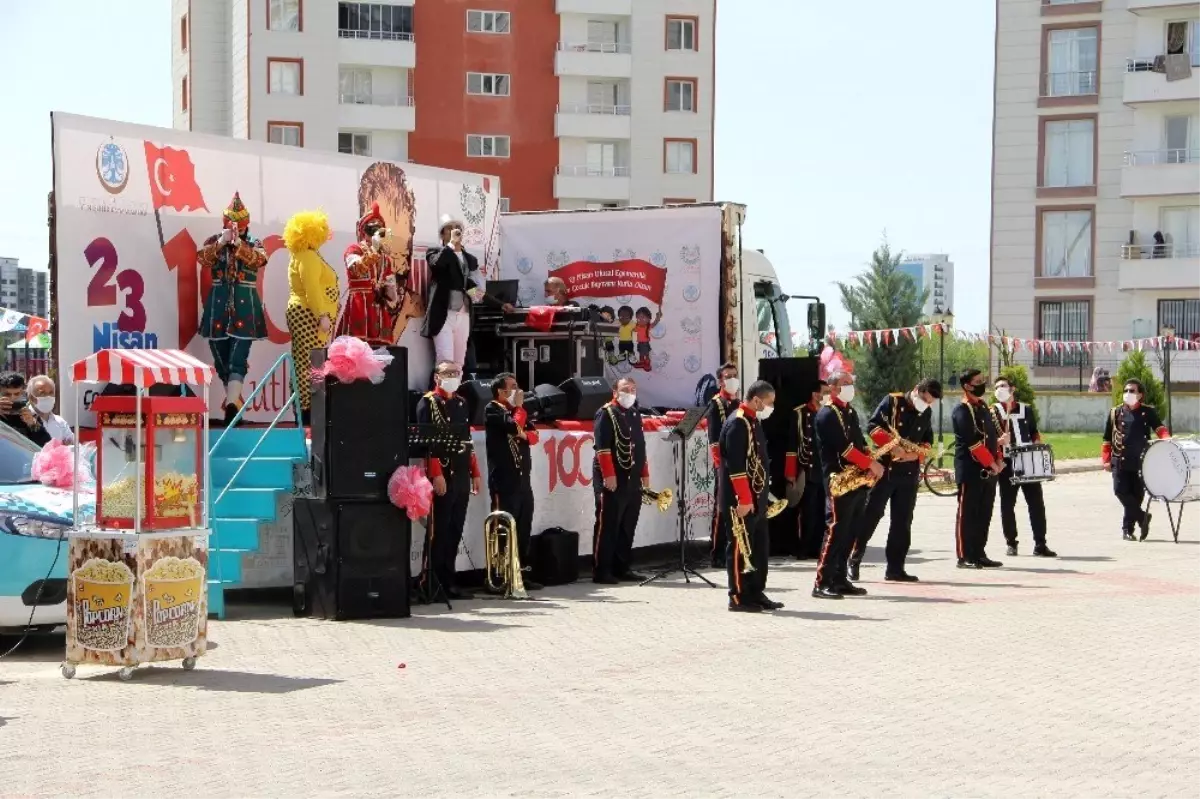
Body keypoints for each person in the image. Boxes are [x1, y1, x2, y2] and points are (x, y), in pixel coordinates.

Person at [848, 378, 940, 583]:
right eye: (925, 399)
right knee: (870, 515)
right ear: (916, 390)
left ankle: (895, 568)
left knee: (902, 521)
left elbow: (927, 439)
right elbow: (873, 426)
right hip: (885, 470)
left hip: (909, 472)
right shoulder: (892, 401)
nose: (926, 405)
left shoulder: (926, 412)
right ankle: (853, 559)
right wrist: (893, 446)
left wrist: (916, 455)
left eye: (930, 402)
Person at [197, 192, 268, 424]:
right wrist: (221, 243)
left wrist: (238, 244)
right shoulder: (213, 241)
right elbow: (202, 259)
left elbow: (260, 259)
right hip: (218, 304)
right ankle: (234, 403)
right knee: (219, 356)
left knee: (238, 356)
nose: (236, 229)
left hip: (244, 304)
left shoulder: (254, 243)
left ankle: (231, 406)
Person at [812, 370, 882, 599]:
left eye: (851, 383)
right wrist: (870, 464)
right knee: (835, 532)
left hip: (856, 480)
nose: (850, 387)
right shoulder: (827, 414)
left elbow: (859, 442)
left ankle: (840, 579)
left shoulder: (849, 411)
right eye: (844, 383)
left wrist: (869, 458)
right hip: (838, 480)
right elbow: (845, 449)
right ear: (832, 388)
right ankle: (822, 582)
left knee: (850, 532)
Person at [416, 362, 482, 602]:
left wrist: (475, 472)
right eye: (447, 373)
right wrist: (436, 474)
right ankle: (429, 582)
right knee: (438, 531)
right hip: (442, 471)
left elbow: (466, 441)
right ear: (437, 376)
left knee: (455, 529)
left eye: (456, 373)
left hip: (461, 472)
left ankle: (448, 580)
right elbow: (428, 441)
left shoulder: (462, 403)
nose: (452, 377)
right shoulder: (428, 402)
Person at [721, 380, 783, 612]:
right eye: (768, 403)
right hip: (740, 500)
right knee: (739, 548)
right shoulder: (738, 423)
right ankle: (737, 596)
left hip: (756, 498)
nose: (770, 407)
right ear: (756, 400)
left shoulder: (752, 421)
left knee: (759, 550)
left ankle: (755, 592)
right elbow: (736, 468)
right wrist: (745, 499)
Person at [484, 373, 542, 591]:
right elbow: (514, 428)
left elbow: (534, 435)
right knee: (503, 528)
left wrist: (524, 433)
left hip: (522, 481)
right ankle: (500, 577)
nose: (518, 391)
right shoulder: (493, 409)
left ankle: (521, 574)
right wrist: (519, 412)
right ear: (500, 391)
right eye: (513, 387)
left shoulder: (516, 412)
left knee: (523, 527)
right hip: (504, 481)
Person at [592, 376, 650, 584]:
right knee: (608, 524)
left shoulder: (634, 413)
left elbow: (640, 446)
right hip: (613, 476)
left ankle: (622, 566)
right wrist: (609, 475)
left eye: (633, 389)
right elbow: (603, 447)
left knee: (628, 524)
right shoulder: (606, 413)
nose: (631, 393)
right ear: (615, 392)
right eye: (626, 389)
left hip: (632, 477)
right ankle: (602, 570)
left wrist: (645, 475)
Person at [284, 210, 340, 423]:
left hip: (308, 315)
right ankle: (306, 411)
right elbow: (312, 289)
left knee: (308, 362)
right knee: (309, 362)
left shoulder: (304, 255)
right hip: (309, 315)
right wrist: (322, 315)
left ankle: (307, 408)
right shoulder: (307, 257)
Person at [992, 377, 1057, 557]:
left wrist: (1037, 443)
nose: (1000, 389)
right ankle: (1011, 542)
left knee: (1036, 503)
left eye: (1003, 386)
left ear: (1012, 389)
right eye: (997, 387)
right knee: (1007, 504)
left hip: (1028, 460)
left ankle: (1040, 543)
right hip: (1007, 462)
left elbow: (1034, 432)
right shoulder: (993, 412)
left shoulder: (1025, 409)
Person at [1103, 379, 1169, 541]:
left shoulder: (1148, 412)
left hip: (1140, 460)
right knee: (1120, 491)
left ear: (1140, 395)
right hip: (1120, 459)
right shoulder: (1115, 412)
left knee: (1136, 495)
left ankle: (1128, 529)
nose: (1128, 394)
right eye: (1126, 390)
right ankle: (1142, 517)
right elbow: (1106, 438)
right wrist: (1105, 459)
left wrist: (1167, 439)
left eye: (1132, 391)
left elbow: (1160, 428)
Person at [953, 369, 1005, 569]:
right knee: (967, 514)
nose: (982, 384)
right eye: (978, 381)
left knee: (984, 513)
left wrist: (998, 459)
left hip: (990, 470)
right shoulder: (962, 410)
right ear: (967, 385)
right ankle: (964, 556)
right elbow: (973, 443)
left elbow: (992, 439)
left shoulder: (983, 407)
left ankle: (979, 553)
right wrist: (991, 463)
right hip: (971, 470)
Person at [422, 215, 484, 370]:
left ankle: (454, 394)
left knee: (458, 363)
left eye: (458, 229)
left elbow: (471, 285)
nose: (455, 231)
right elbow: (437, 265)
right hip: (444, 314)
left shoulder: (469, 259)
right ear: (442, 234)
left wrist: (478, 294)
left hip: (463, 314)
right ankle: (440, 394)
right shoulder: (435, 252)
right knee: (445, 362)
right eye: (450, 228)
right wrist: (450, 246)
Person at [336, 202, 401, 345]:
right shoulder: (354, 249)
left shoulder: (385, 258)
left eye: (379, 229)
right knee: (355, 351)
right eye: (371, 229)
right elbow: (357, 269)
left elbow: (391, 293)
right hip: (360, 308)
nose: (376, 233)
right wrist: (374, 249)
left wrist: (390, 293)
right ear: (363, 232)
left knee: (380, 354)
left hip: (378, 312)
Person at [785, 378, 827, 560]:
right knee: (807, 513)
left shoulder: (829, 412)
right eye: (825, 392)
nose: (827, 396)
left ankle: (818, 548)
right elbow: (792, 446)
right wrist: (790, 473)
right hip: (807, 470)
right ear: (815, 394)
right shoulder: (800, 413)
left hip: (825, 469)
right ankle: (802, 548)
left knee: (822, 512)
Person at [704, 362, 740, 568]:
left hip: (740, 463)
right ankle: (717, 554)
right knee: (722, 509)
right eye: (728, 376)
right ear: (720, 381)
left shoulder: (739, 403)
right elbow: (714, 441)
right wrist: (721, 467)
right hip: (725, 465)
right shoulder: (716, 404)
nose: (732, 379)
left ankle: (734, 548)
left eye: (734, 375)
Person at [0, 372, 50, 446]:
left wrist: (32, 424)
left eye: (16, 394)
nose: (12, 398)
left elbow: (45, 445)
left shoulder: (29, 415)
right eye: (7, 394)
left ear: (23, 393)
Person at [27, 375, 72, 443]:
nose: (48, 397)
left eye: (51, 393)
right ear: (31, 397)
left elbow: (73, 445)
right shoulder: (24, 420)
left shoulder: (60, 422)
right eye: (42, 393)